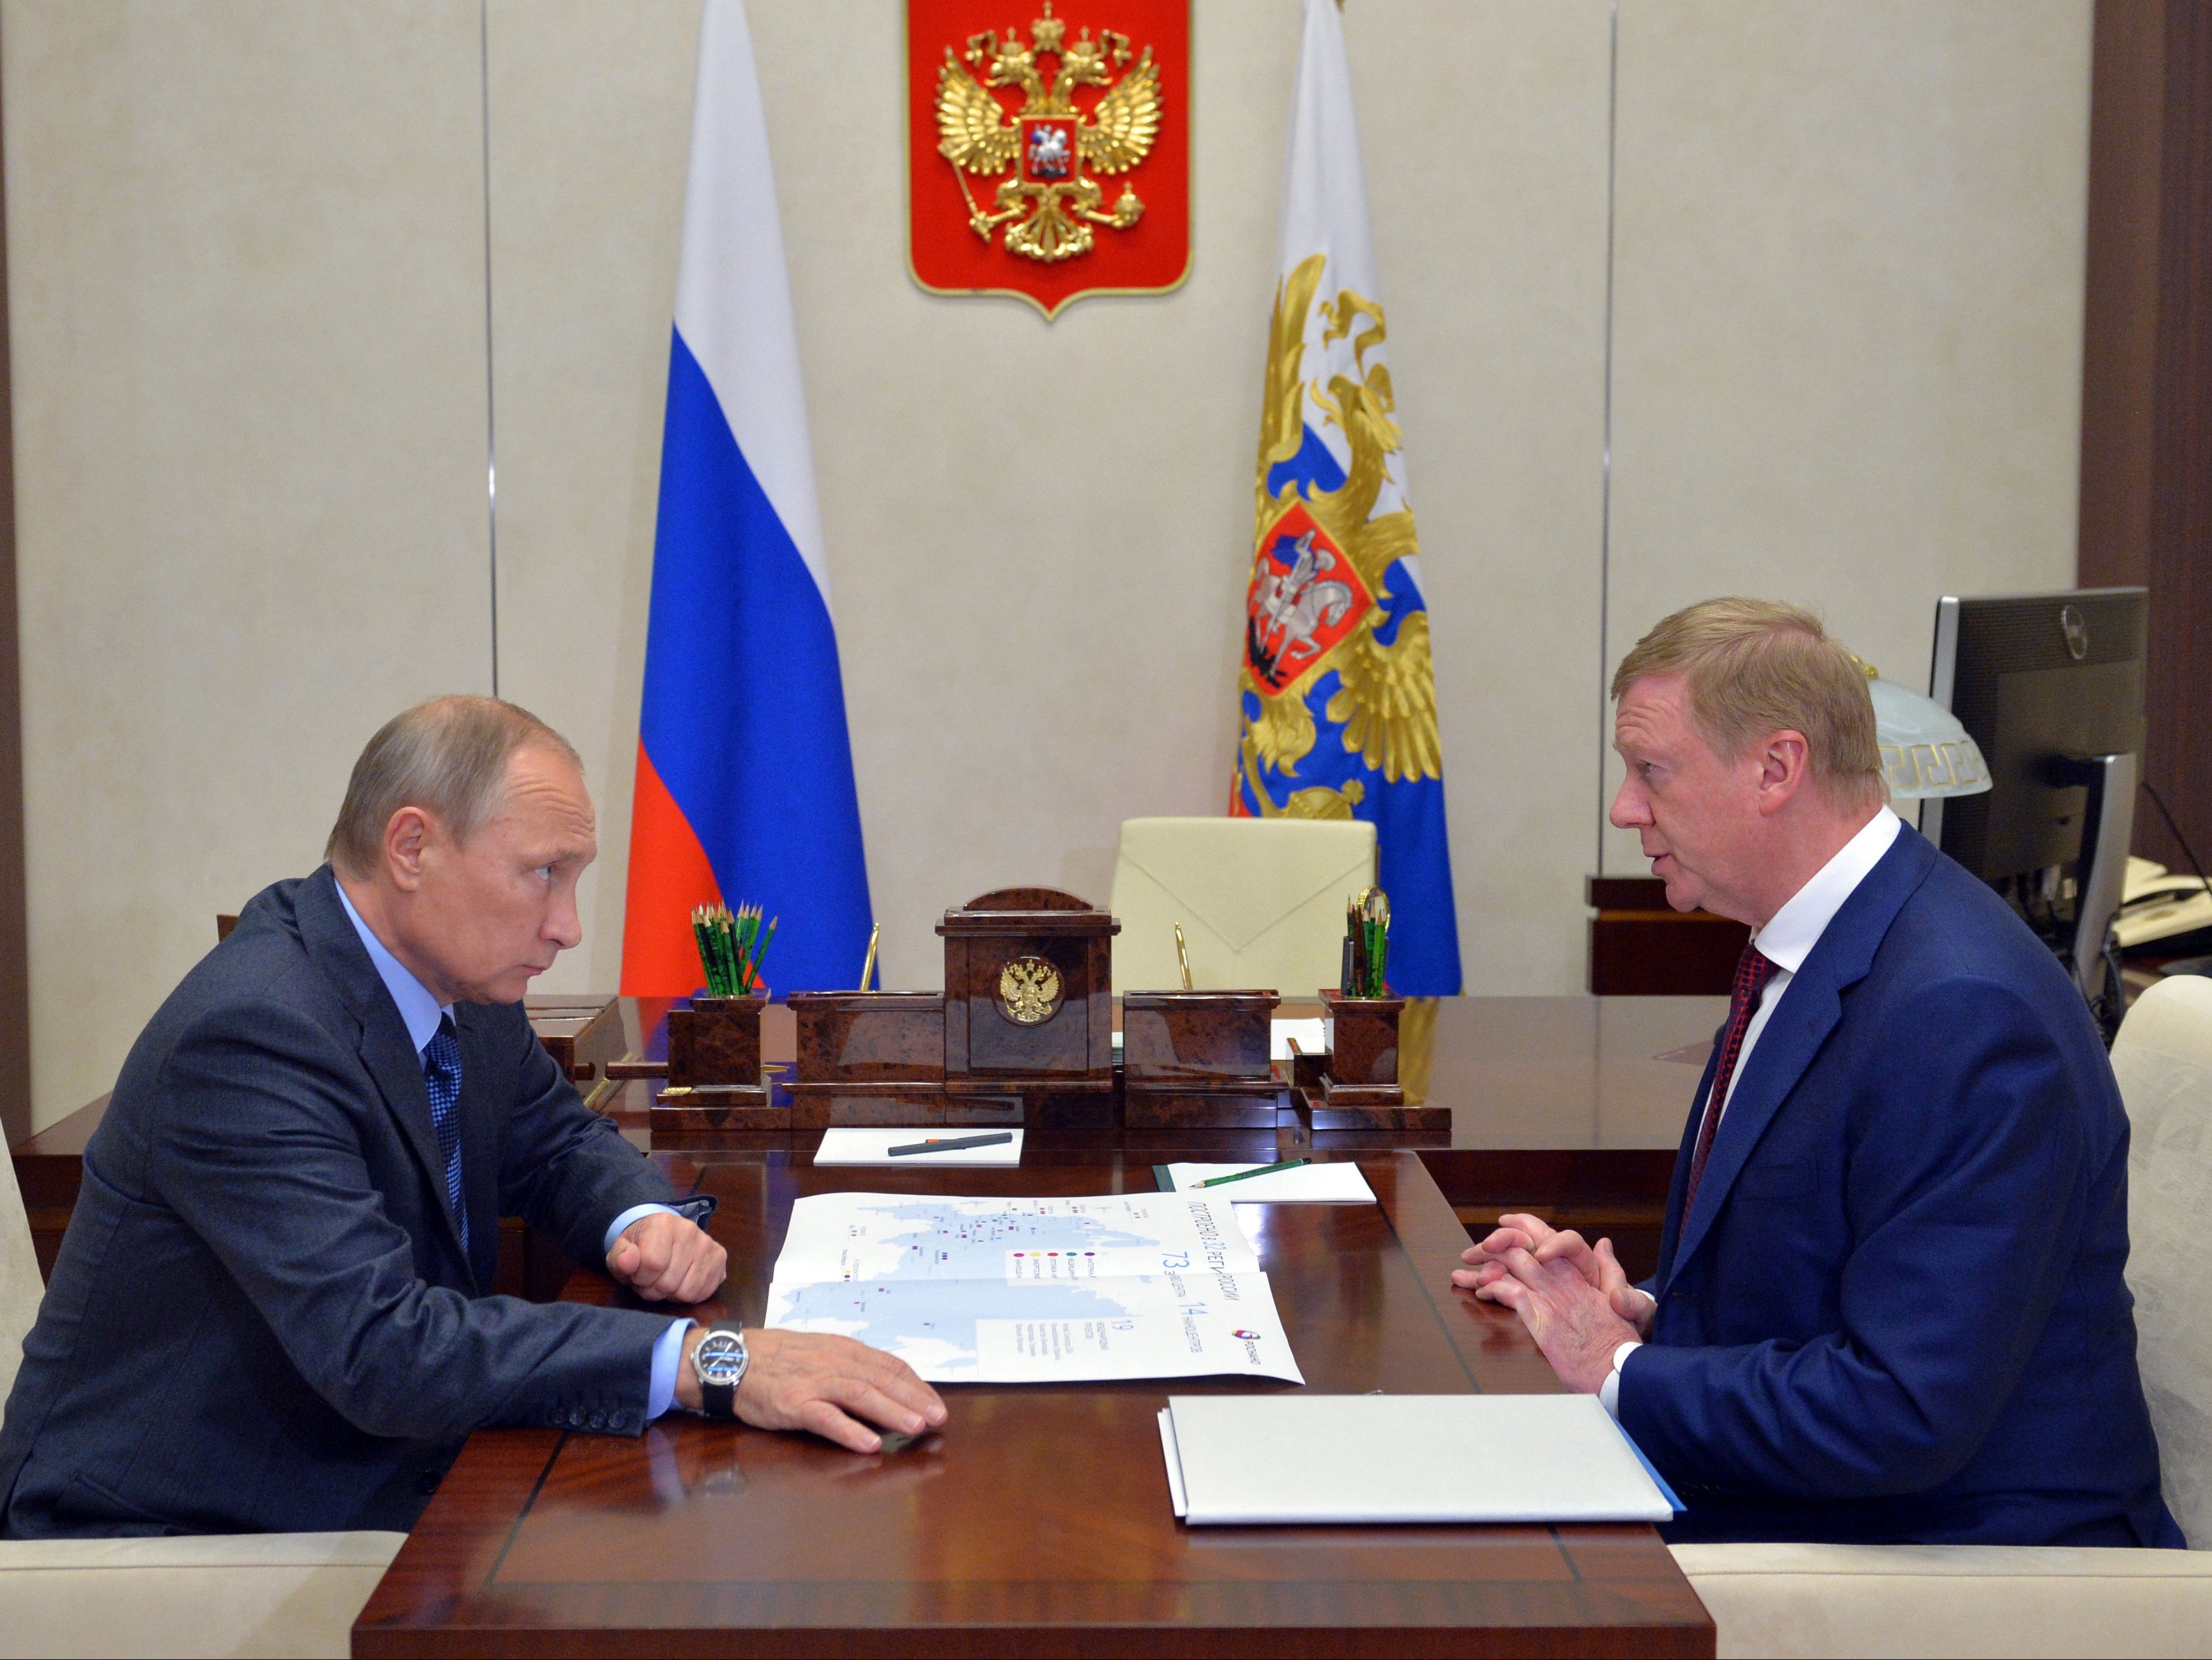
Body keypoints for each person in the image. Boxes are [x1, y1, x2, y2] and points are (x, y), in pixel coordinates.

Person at [0, 696, 944, 1537]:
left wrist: (637, 1219)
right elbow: (382, 1346)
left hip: (376, 1470)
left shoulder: (454, 981)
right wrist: (715, 1360)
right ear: (411, 848)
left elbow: (555, 1137)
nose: (570, 925)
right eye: (543, 873)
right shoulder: (253, 1035)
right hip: (181, 1531)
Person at [1457, 598, 2180, 1548]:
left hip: (1969, 1559)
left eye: (1650, 771)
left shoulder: (1961, 1014)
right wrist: (1643, 1311)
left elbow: (1900, 1409)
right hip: (1837, 1507)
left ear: (1775, 768)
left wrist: (1623, 1368)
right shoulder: (1816, 944)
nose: (1624, 807)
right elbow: (1824, 1274)